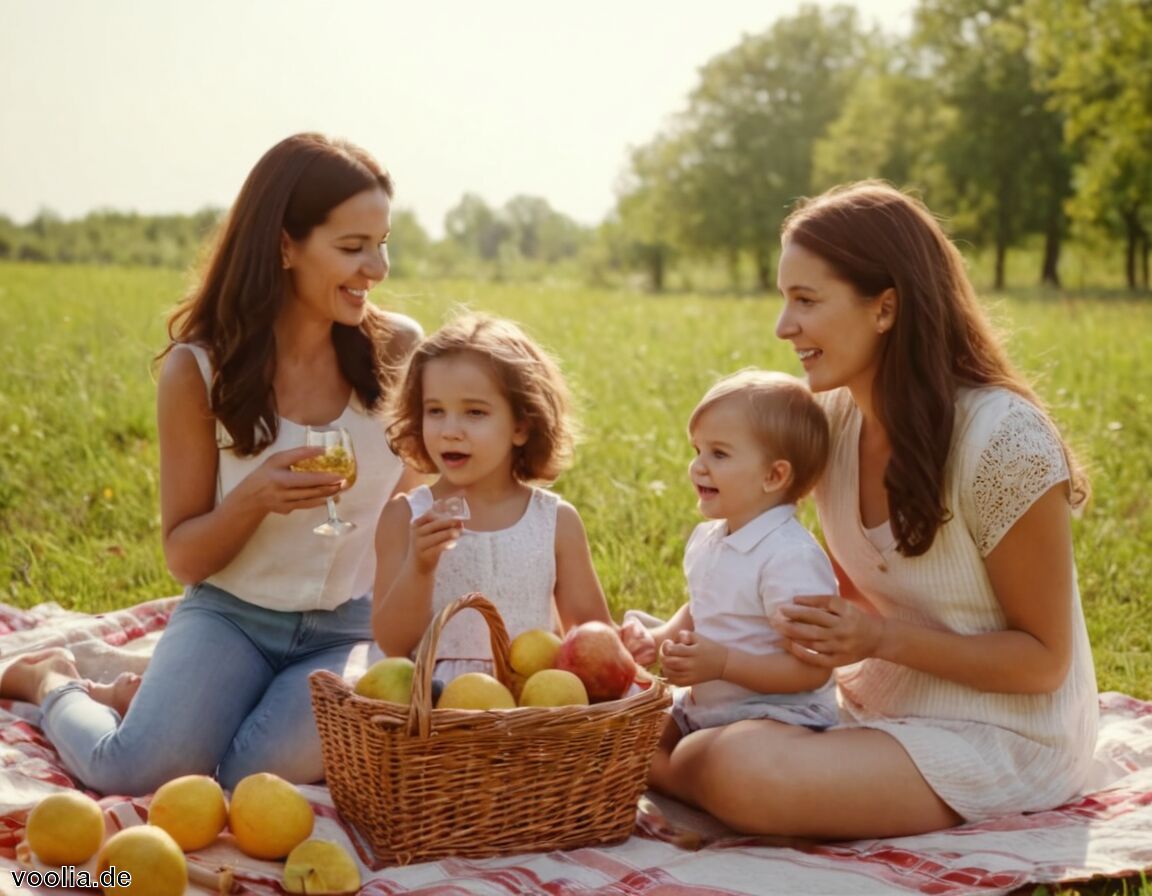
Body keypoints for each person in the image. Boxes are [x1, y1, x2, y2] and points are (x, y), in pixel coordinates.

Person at [654, 181, 1098, 840]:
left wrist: (879, 640)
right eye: (784, 300)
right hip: (875, 699)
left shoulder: (1004, 441)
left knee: (743, 769)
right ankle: (658, 754)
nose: (784, 327)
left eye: (806, 300)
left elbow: (1042, 663)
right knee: (650, 704)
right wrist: (673, 639)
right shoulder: (832, 423)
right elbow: (820, 582)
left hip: (1003, 733)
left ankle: (646, 765)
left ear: (885, 307)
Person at [0, 133, 422, 795]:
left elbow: (410, 505)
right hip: (232, 616)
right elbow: (186, 559)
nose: (377, 268)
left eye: (382, 242)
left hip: (348, 626)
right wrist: (255, 498)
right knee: (137, 773)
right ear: (285, 245)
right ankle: (52, 679)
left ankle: (158, 699)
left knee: (253, 776)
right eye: (352, 247)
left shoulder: (400, 350)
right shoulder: (198, 368)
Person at [620, 370, 840, 791]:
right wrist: (662, 636)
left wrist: (723, 664)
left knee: (730, 761)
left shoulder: (789, 558)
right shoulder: (710, 538)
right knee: (627, 726)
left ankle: (681, 780)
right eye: (697, 450)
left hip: (774, 719)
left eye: (719, 454)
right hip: (706, 711)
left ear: (774, 476)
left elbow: (811, 671)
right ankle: (671, 771)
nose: (697, 467)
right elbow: (705, 604)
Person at [372, 313, 613, 682]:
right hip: (432, 709)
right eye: (435, 410)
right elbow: (393, 645)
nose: (450, 431)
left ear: (521, 426)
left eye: (474, 412)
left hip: (531, 704)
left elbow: (593, 634)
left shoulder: (554, 521)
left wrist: (628, 645)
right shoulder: (404, 519)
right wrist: (419, 567)